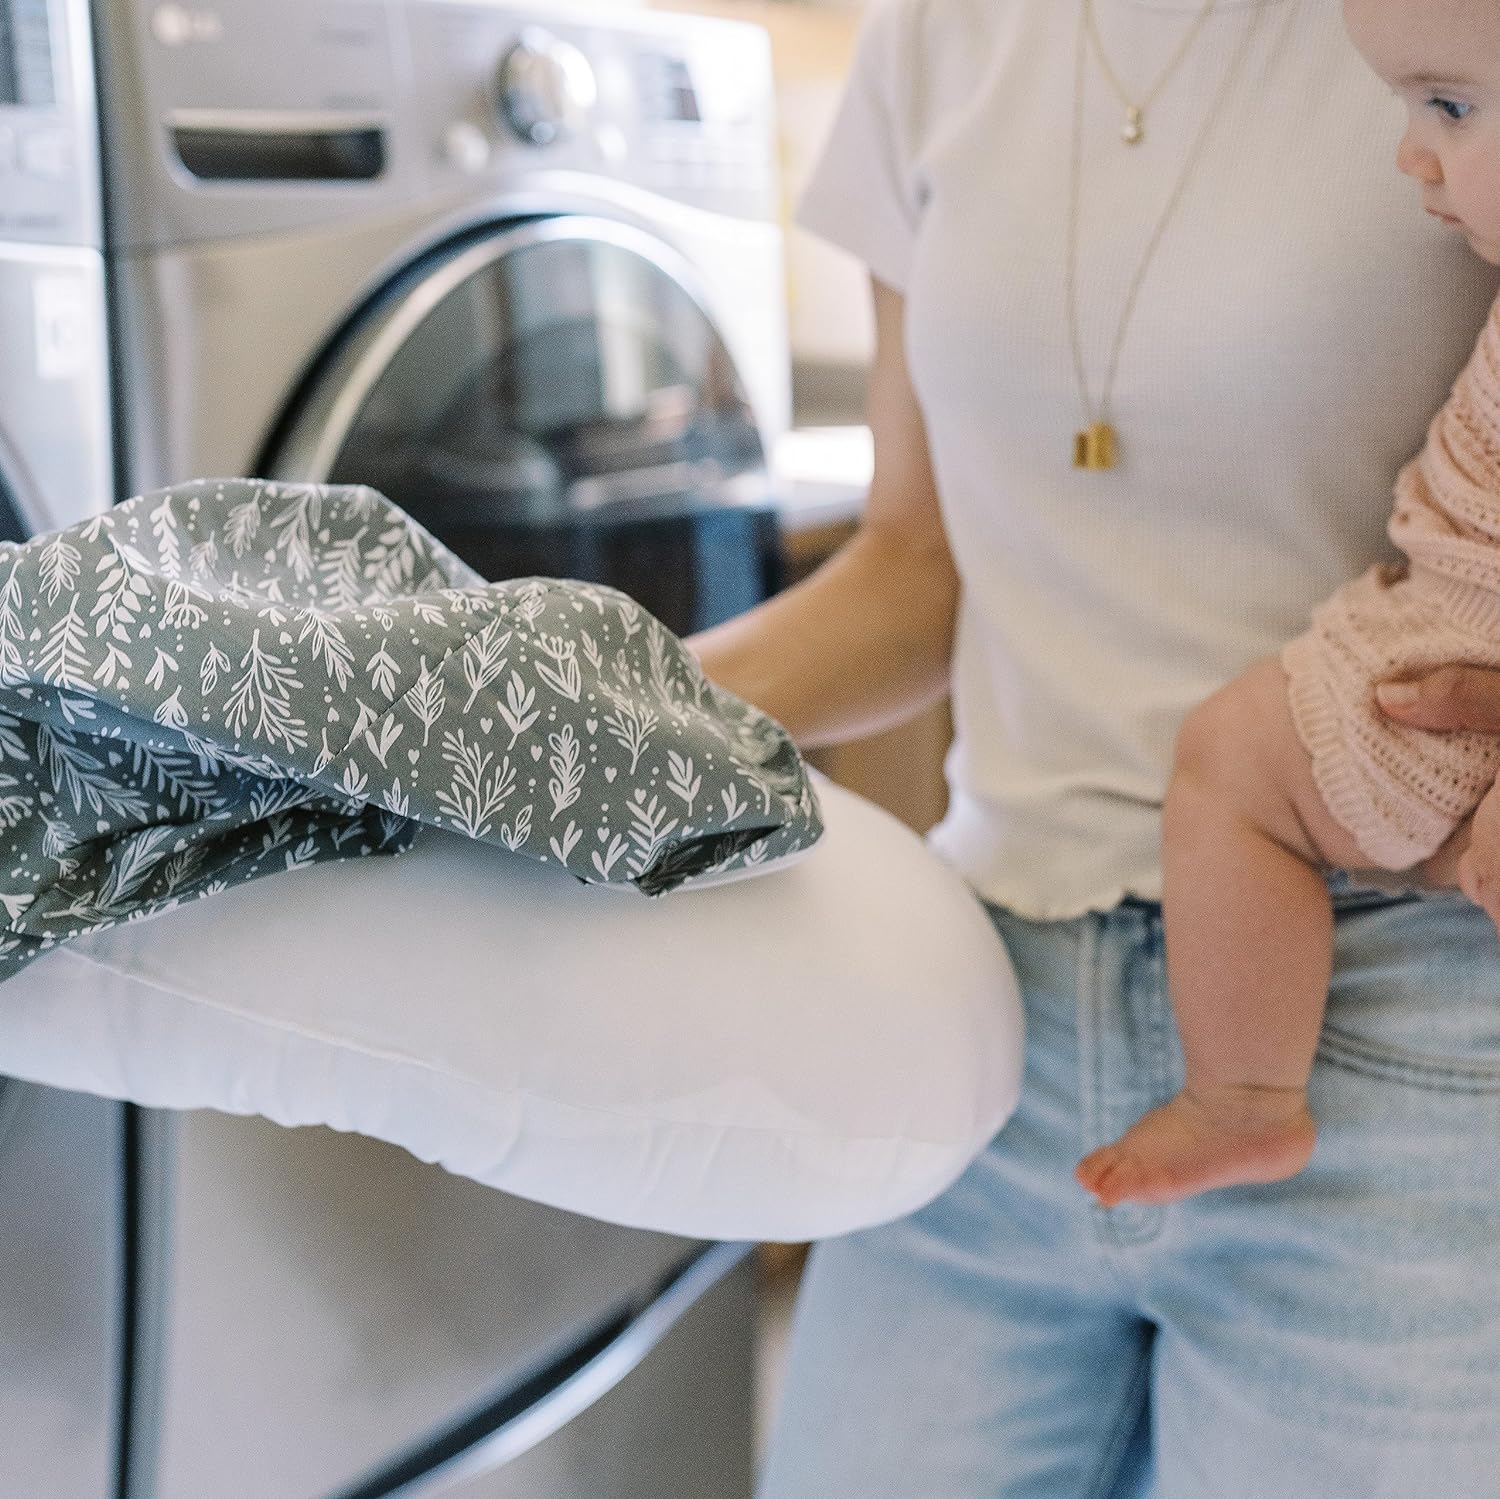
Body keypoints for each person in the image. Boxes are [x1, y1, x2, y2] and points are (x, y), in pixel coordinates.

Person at [690, 0, 1500, 1492]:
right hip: (988, 1015)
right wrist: (594, 713)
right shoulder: (930, 39)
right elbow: (913, 567)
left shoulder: (1429, 29)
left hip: (1408, 1028)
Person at [1077, 0, 1500, 1209]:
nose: (1412, 153)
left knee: (1230, 766)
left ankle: (1245, 1097)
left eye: (1453, 107)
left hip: (1455, 666)